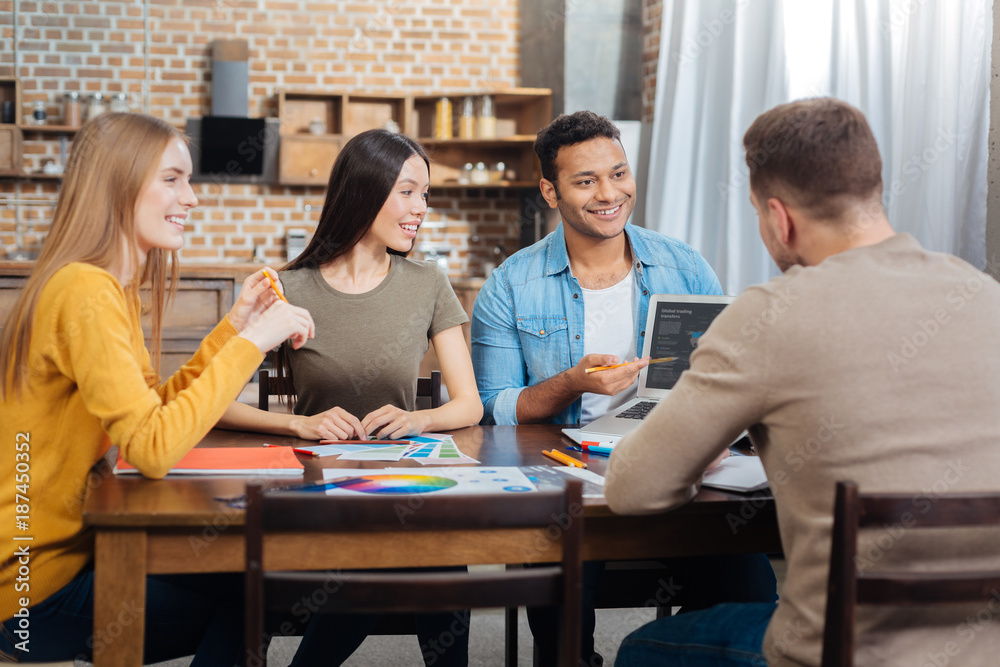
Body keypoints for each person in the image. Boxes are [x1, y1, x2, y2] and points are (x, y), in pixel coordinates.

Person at [605, 97, 1000, 666]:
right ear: (872, 189)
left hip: (841, 651)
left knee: (644, 649)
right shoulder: (983, 294)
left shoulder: (770, 315)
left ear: (779, 217)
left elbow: (633, 488)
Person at [0, 113, 315, 663]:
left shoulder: (106, 287)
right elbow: (152, 448)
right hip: (30, 597)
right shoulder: (85, 290)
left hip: (67, 560)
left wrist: (235, 326)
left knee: (252, 574)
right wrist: (254, 342)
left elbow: (154, 411)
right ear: (117, 183)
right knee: (253, 596)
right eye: (172, 179)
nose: (191, 197)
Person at [471, 110, 776, 666]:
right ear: (550, 191)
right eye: (585, 181)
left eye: (618, 174)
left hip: (676, 469)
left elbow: (726, 377)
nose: (609, 194)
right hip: (566, 480)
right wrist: (571, 383)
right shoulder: (511, 284)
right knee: (562, 622)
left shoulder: (684, 267)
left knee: (752, 595)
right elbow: (494, 409)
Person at [216, 128, 482, 667]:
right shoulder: (288, 286)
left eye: (425, 194)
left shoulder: (428, 282)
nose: (421, 208)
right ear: (364, 191)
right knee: (390, 548)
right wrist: (299, 424)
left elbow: (469, 405)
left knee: (437, 546)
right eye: (407, 192)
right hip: (318, 493)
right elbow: (211, 399)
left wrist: (418, 419)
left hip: (400, 486)